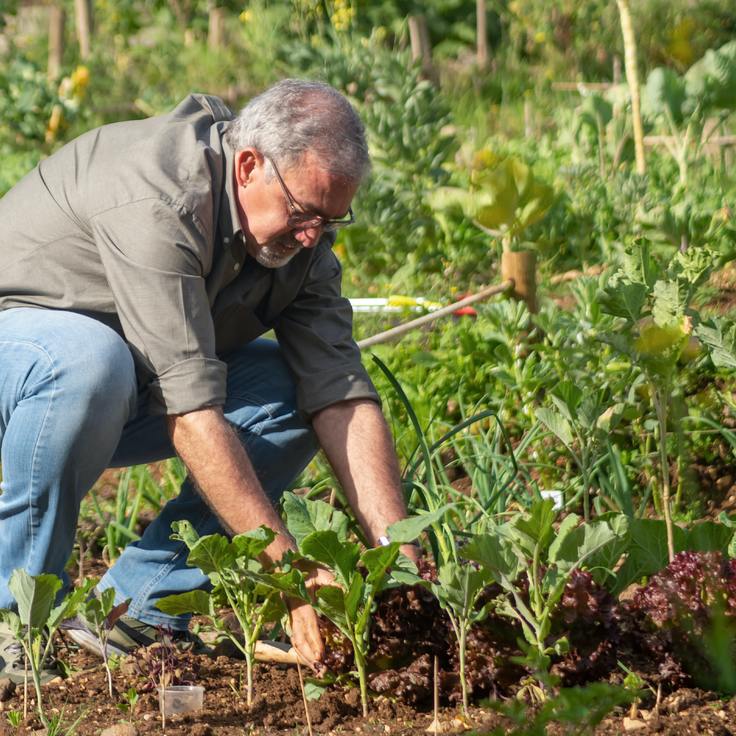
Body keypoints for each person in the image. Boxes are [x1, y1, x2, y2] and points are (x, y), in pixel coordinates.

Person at [0, 79, 418, 683]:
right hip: (23, 356)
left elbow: (342, 397)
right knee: (90, 361)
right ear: (249, 166)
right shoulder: (159, 197)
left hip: (114, 383)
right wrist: (290, 575)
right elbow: (192, 417)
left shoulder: (303, 249)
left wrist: (398, 561)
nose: (312, 237)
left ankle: (139, 610)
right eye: (303, 213)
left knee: (289, 392)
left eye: (331, 221)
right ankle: (13, 614)